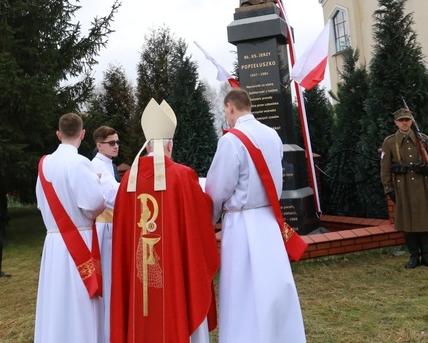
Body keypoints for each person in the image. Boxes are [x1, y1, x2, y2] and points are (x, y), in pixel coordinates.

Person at [111, 99, 219, 343]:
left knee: (141, 303)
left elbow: (122, 230)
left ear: (147, 145)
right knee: (174, 296)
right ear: (169, 146)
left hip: (138, 269)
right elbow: (203, 216)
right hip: (173, 268)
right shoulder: (182, 176)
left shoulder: (127, 179)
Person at [205, 89, 305, 342]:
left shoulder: (231, 140)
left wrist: (209, 217)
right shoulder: (272, 135)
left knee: (241, 286)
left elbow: (218, 187)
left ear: (229, 107)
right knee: (272, 282)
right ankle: (280, 334)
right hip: (269, 219)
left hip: (241, 221)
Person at [34, 113, 107, 342]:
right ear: (82, 134)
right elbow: (94, 204)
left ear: (58, 134)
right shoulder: (79, 162)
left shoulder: (44, 164)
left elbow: (40, 202)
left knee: (56, 297)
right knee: (79, 300)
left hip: (54, 241)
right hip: (79, 238)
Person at [380, 108, 428, 269]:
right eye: (401, 120)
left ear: (411, 121)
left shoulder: (422, 138)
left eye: (407, 119)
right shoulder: (390, 142)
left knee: (424, 221)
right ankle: (414, 257)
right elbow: (385, 169)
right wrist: (389, 189)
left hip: (422, 185)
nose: (404, 123)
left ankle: (427, 257)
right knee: (408, 223)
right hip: (403, 187)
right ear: (396, 123)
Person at [91, 126, 121, 342]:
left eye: (117, 142)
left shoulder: (109, 165)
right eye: (111, 143)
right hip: (104, 228)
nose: (116, 146)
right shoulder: (96, 166)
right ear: (99, 145)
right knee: (108, 276)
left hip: (112, 224)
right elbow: (113, 195)